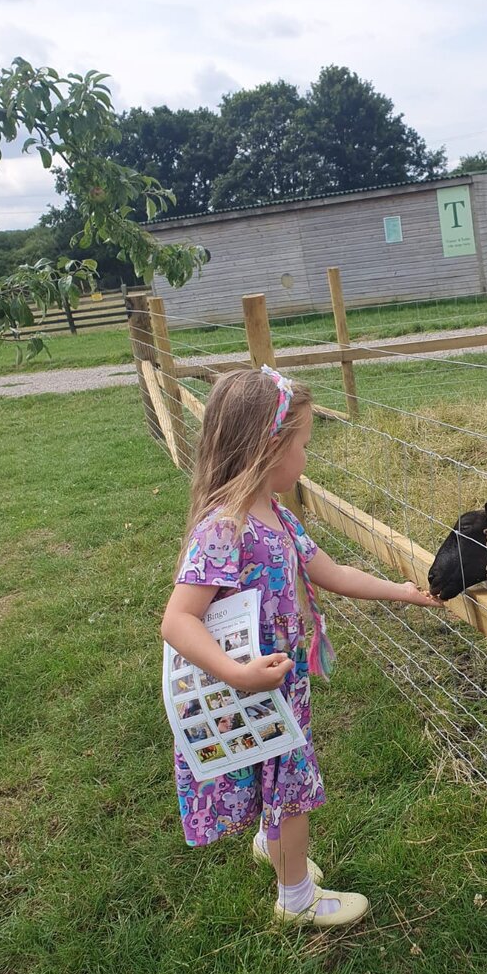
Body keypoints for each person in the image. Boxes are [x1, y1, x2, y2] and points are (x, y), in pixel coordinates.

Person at [161, 367, 442, 928]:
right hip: (256, 688)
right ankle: (296, 900)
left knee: (279, 772)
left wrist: (403, 593)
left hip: (280, 682)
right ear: (270, 446)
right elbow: (177, 620)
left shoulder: (278, 518)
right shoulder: (227, 528)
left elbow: (330, 572)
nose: (307, 458)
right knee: (293, 785)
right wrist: (237, 675)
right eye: (304, 444)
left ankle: (274, 846)